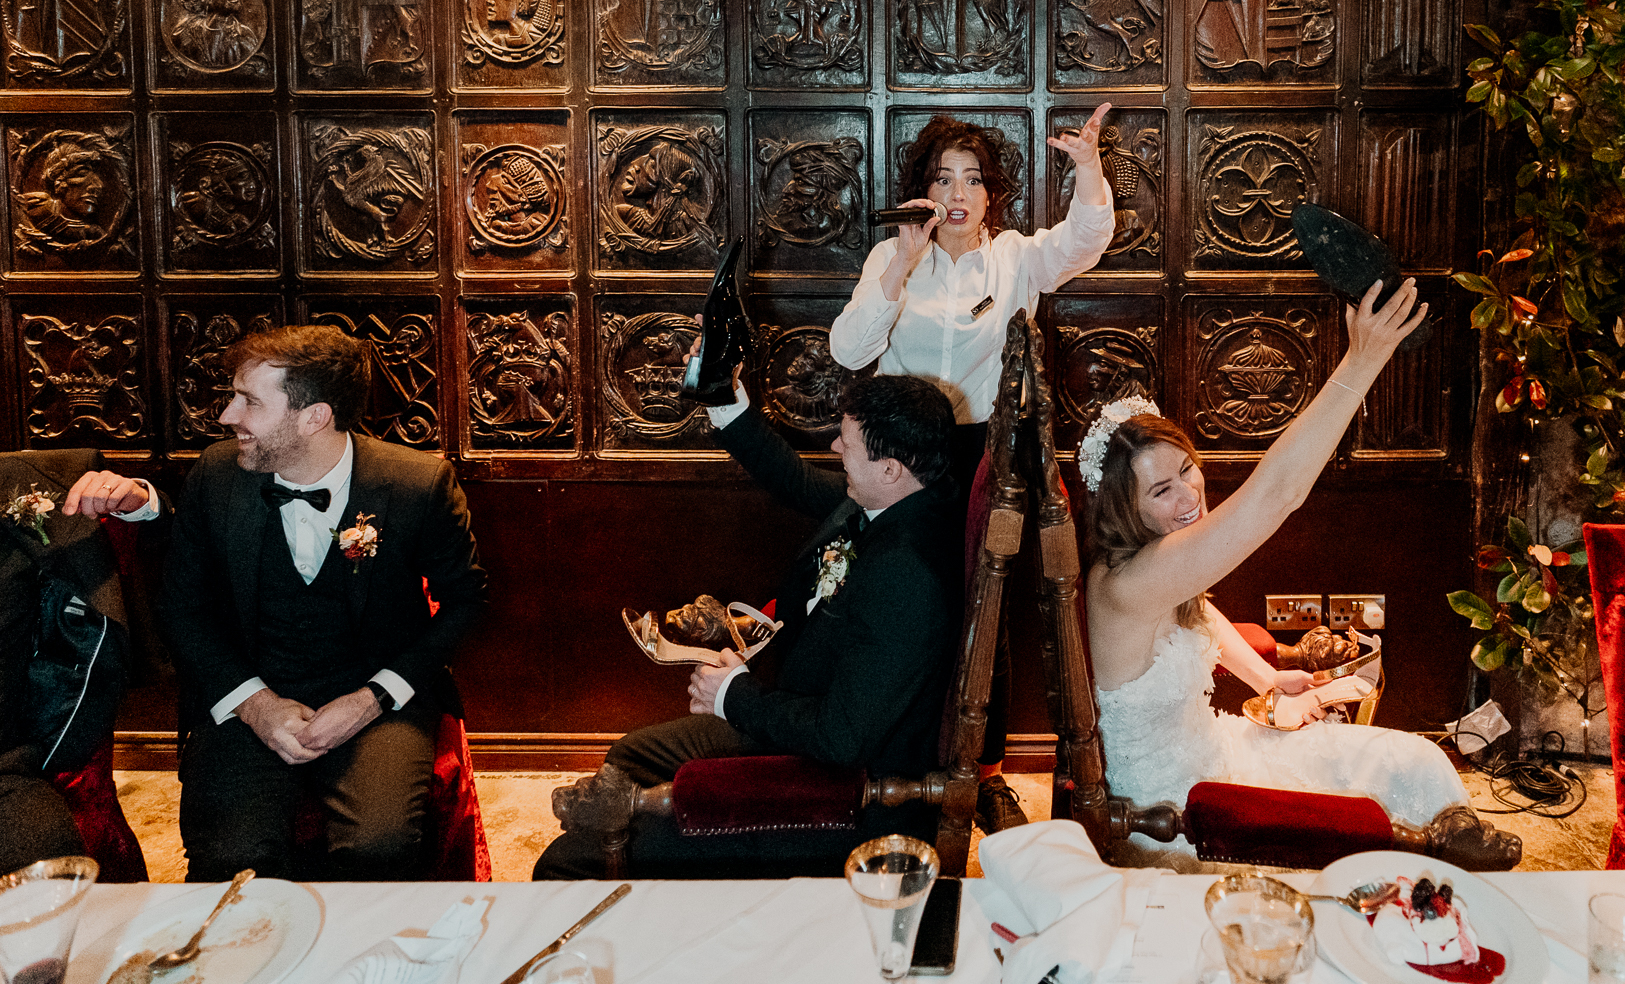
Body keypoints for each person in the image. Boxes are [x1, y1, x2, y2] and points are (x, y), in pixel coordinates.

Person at [1082, 280, 1521, 870]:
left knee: (1414, 761)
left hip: (1214, 750)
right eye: (1162, 490)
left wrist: (1267, 677)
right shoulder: (1127, 584)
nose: (1190, 494)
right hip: (1182, 812)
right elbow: (1279, 494)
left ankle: (1439, 877)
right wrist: (1361, 360)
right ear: (1122, 509)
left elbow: (1199, 613)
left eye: (1189, 470)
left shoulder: (1156, 570)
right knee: (1371, 803)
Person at [533, 368, 962, 880]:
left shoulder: (906, 573)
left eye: (844, 442)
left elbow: (842, 738)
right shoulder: (898, 500)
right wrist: (725, 400)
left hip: (850, 795)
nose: (831, 448)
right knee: (631, 755)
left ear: (890, 468)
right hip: (805, 718)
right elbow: (793, 479)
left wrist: (731, 696)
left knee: (564, 863)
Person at [828, 106, 1115, 831]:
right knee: (906, 604)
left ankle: (982, 774)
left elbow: (1085, 240)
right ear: (923, 190)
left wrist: (1086, 166)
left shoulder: (1014, 256)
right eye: (942, 178)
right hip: (902, 460)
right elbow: (850, 350)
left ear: (991, 196)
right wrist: (899, 260)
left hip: (987, 453)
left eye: (972, 180)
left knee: (983, 610)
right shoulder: (894, 257)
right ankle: (902, 759)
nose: (958, 193)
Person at [158, 325, 486, 881]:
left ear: (315, 416)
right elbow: (181, 608)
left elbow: (467, 603)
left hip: (375, 702)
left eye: (250, 402)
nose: (227, 416)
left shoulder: (416, 483)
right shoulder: (215, 476)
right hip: (246, 695)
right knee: (231, 857)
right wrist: (255, 704)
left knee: (378, 849)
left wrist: (373, 697)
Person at [0, 455, 166, 874]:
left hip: (7, 771)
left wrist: (139, 503)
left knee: (46, 858)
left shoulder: (27, 490)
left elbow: (179, 546)